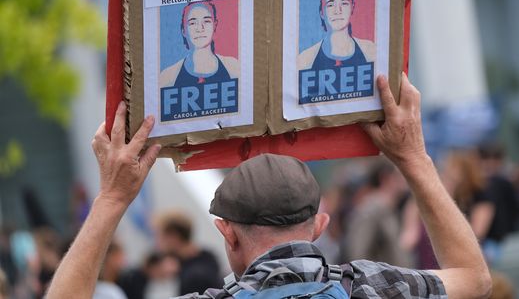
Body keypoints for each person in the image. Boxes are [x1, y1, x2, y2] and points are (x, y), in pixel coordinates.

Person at [45, 74, 492, 299]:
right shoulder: (373, 287)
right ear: (319, 225)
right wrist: (414, 159)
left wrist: (112, 196)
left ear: (228, 232)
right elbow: (475, 278)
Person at [298, 0, 375, 71]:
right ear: (322, 12)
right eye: (330, 5)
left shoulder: (371, 51)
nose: (338, 11)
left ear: (352, 8)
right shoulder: (305, 59)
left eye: (344, 3)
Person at [160, 0, 239, 88]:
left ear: (215, 26)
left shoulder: (234, 68)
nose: (200, 28)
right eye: (192, 23)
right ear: (183, 31)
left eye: (206, 21)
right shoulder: (167, 77)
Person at [153, 211, 221, 296]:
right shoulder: (208, 257)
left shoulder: (194, 278)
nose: (157, 243)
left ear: (173, 236)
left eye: (160, 236)